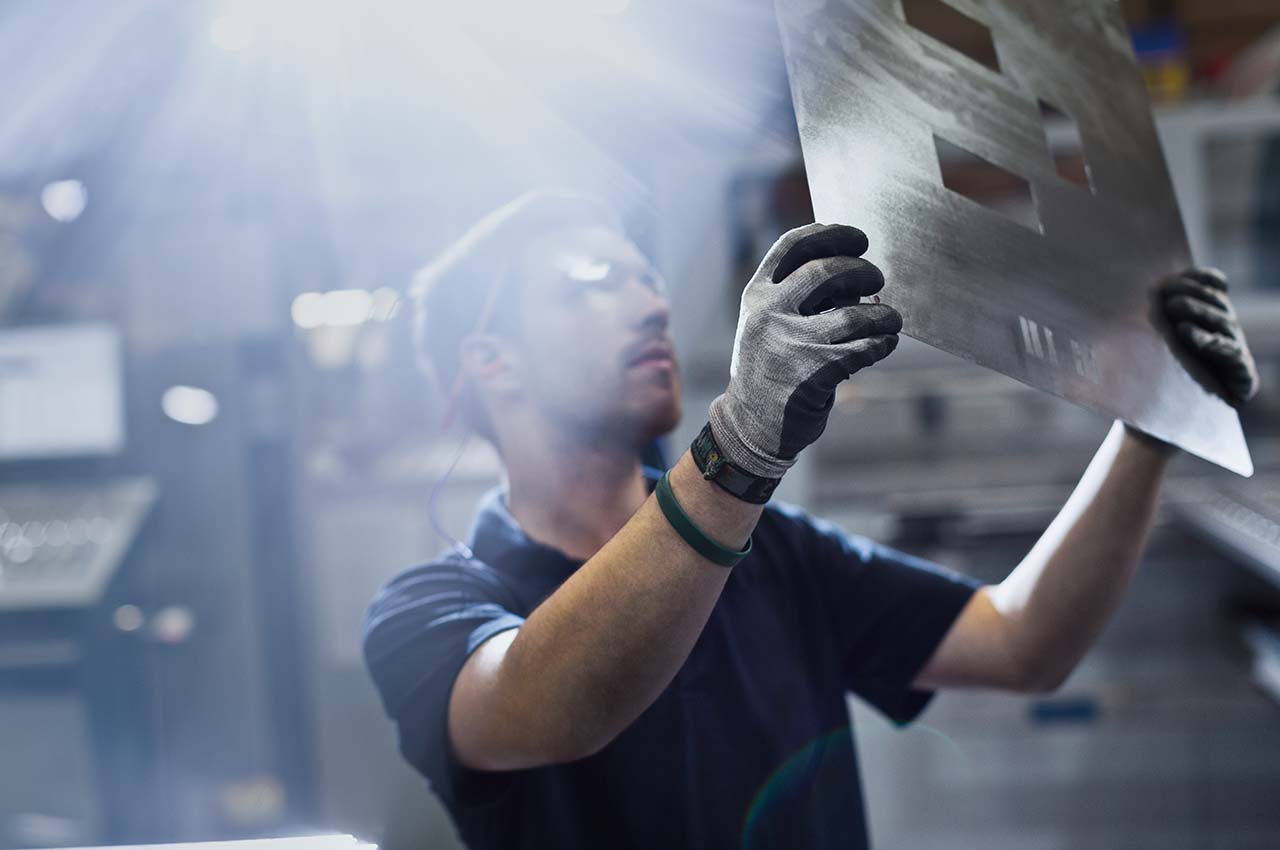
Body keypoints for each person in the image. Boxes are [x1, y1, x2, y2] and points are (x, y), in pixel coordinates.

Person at [363, 190, 1258, 850]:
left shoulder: (771, 551)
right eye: (593, 284)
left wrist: (1147, 427)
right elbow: (545, 707)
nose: (653, 303)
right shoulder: (429, 613)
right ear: (492, 363)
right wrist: (741, 445)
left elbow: (1024, 643)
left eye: (648, 278)